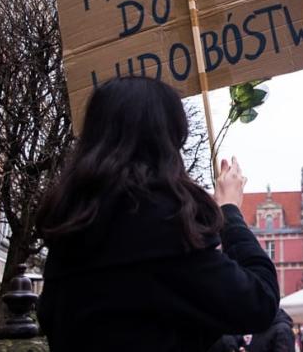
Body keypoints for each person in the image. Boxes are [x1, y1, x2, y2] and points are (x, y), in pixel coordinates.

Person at [35, 77, 280, 352]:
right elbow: (259, 301)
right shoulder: (165, 224)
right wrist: (230, 212)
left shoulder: (70, 221)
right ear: (165, 140)